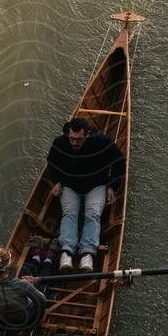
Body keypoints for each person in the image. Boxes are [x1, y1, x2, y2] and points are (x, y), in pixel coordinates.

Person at [45, 115, 126, 271]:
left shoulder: (102, 142)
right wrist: (57, 181)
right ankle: (67, 252)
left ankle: (87, 254)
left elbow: (120, 162)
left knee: (93, 213)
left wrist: (112, 186)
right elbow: (52, 163)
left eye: (79, 139)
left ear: (87, 134)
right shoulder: (60, 142)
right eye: (72, 139)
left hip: (96, 186)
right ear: (68, 133)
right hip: (70, 186)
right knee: (69, 213)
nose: (74, 142)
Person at [0, 245, 49, 336]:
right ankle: (47, 260)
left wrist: (0, 326)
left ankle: (37, 258)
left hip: (7, 321)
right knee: (40, 284)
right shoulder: (22, 284)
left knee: (30, 270)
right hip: (29, 317)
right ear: (8, 265)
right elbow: (42, 300)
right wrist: (37, 320)